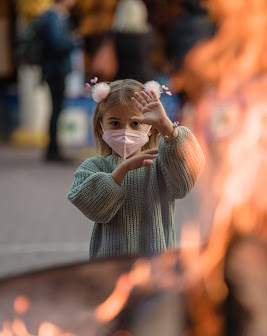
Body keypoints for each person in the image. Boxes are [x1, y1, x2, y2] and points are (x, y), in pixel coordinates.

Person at [67, 79, 205, 260]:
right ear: (101, 127)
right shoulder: (94, 167)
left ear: (149, 128)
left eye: (135, 123)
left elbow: (185, 182)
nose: (125, 131)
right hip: (109, 269)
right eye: (115, 123)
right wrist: (121, 170)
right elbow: (92, 207)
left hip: (155, 268)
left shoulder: (162, 163)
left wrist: (167, 128)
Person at [41, 0, 82, 162]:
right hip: (56, 70)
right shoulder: (55, 17)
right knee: (56, 109)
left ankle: (54, 148)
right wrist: (75, 41)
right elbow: (57, 43)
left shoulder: (56, 16)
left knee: (56, 109)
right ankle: (53, 150)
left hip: (54, 69)